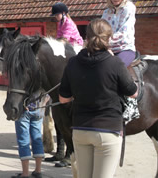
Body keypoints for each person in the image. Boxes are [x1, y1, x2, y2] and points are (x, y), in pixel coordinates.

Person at [59, 19, 138, 178]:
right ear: (109, 38)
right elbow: (133, 92)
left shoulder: (73, 62)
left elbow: (63, 99)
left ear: (86, 37)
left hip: (80, 130)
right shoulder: (115, 63)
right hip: (107, 130)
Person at [48, 2, 83, 166]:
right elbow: (58, 38)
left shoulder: (68, 23)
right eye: (55, 15)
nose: (55, 17)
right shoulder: (61, 23)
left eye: (57, 14)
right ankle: (60, 151)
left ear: (63, 13)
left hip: (76, 48)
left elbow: (64, 40)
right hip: (67, 46)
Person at [101, 0, 136, 67]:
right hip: (107, 48)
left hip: (125, 49)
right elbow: (100, 29)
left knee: (116, 68)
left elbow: (124, 32)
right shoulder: (106, 12)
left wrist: (104, 41)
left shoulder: (129, 9)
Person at [11, 92, 44, 178]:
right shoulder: (41, 79)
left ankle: (25, 173)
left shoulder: (24, 77)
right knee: (37, 138)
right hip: (39, 109)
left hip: (24, 110)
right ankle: (38, 170)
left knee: (23, 140)